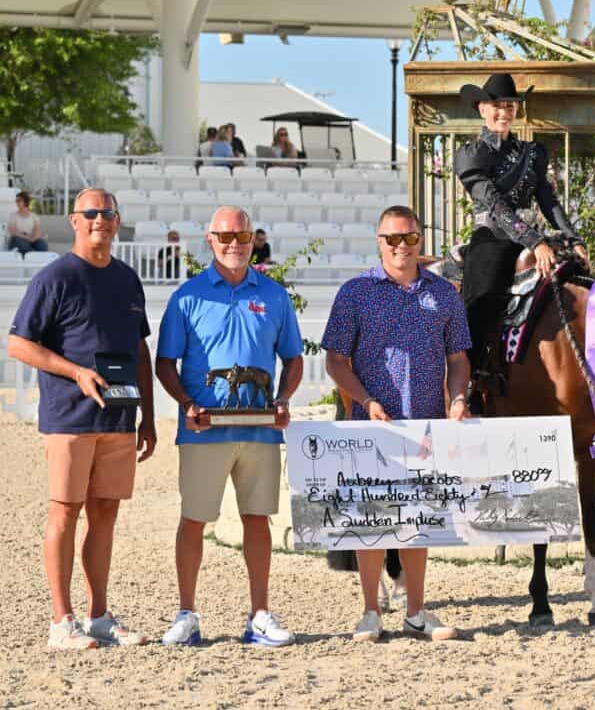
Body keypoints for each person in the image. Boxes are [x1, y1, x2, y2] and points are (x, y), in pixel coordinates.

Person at [7, 187, 156, 649]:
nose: (100, 219)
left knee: (106, 514)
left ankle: (98, 617)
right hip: (69, 416)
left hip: (118, 418)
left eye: (108, 213)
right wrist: (76, 372)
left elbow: (139, 349)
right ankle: (61, 621)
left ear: (116, 220)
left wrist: (147, 417)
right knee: (65, 512)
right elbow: (18, 343)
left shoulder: (129, 279)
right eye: (91, 212)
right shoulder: (55, 278)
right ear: (75, 220)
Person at [155, 205, 304, 647]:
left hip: (260, 431)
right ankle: (187, 614)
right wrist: (185, 403)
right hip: (203, 430)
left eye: (241, 237)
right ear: (210, 239)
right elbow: (166, 362)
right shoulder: (188, 296)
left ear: (253, 240)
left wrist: (282, 399)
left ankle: (259, 614)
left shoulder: (274, 296)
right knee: (194, 520)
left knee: (257, 521)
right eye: (225, 237)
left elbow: (293, 358)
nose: (233, 244)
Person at [322, 205, 472, 643]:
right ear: (379, 241)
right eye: (392, 239)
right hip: (371, 424)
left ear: (420, 241)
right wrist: (365, 399)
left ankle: (417, 611)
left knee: (417, 521)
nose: (400, 246)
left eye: (408, 238)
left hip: (425, 423)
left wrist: (459, 399)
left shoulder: (444, 295)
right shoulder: (355, 293)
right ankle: (370, 611)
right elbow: (335, 359)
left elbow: (459, 358)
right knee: (371, 520)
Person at [453, 73, 588, 375]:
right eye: (497, 105)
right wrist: (535, 242)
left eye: (511, 106)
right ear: (482, 109)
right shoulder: (472, 154)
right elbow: (495, 204)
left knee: (576, 276)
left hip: (528, 237)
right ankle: (469, 375)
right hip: (493, 236)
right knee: (483, 295)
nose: (504, 112)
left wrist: (573, 238)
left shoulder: (532, 153)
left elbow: (548, 200)